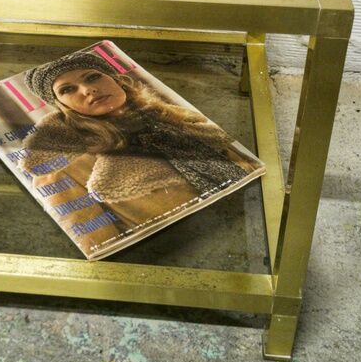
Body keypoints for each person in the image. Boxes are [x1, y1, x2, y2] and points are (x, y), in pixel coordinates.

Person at [20, 50, 257, 256]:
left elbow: (246, 167)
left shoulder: (175, 117)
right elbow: (100, 245)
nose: (88, 89)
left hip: (251, 213)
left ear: (118, 81)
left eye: (93, 77)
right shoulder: (60, 169)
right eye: (68, 89)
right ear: (64, 106)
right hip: (180, 248)